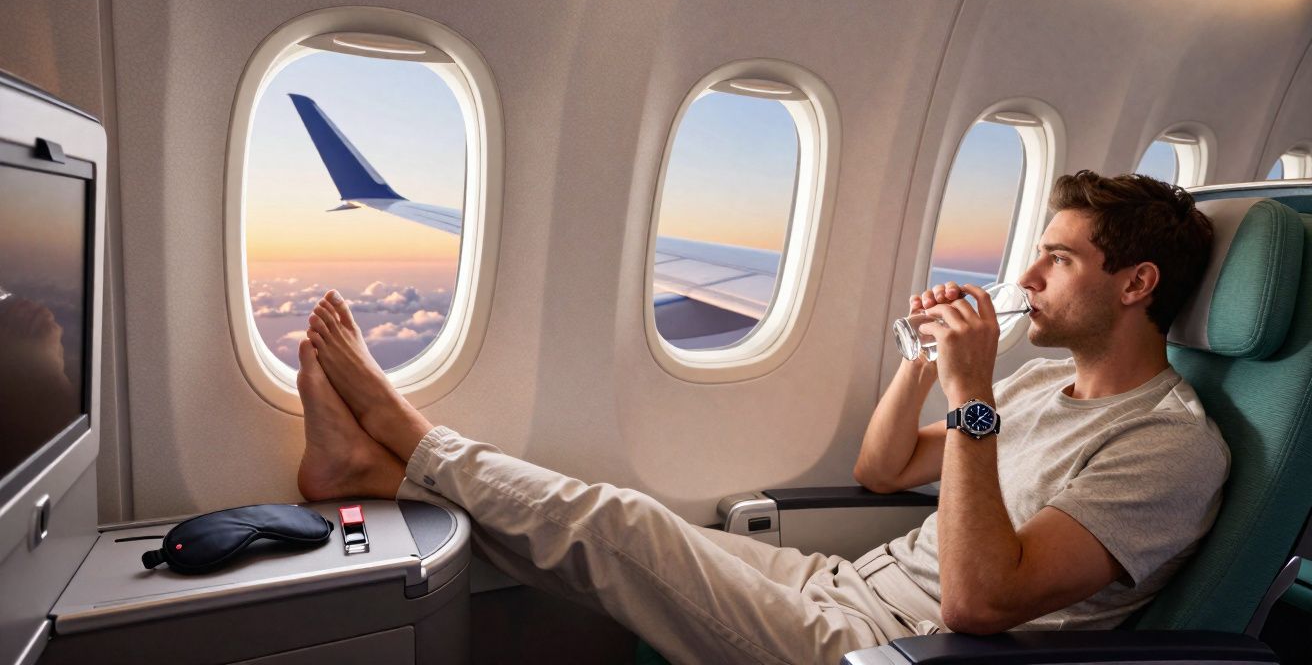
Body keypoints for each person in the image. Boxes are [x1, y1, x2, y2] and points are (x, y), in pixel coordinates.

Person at [295, 170, 1228, 664]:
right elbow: (880, 470)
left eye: (1058, 260)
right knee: (634, 525)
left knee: (617, 527)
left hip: (902, 649)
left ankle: (407, 438)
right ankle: (381, 476)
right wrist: (922, 360)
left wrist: (971, 396)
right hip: (843, 584)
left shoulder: (1168, 448)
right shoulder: (1036, 388)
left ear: (1136, 284)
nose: (1026, 277)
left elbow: (979, 603)